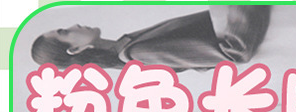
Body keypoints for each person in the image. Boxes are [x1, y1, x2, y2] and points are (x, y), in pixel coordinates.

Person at [30, 6, 271, 71]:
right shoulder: (136, 53)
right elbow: (234, 52)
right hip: (267, 25)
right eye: (64, 32)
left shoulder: (130, 46)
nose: (74, 25)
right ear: (75, 50)